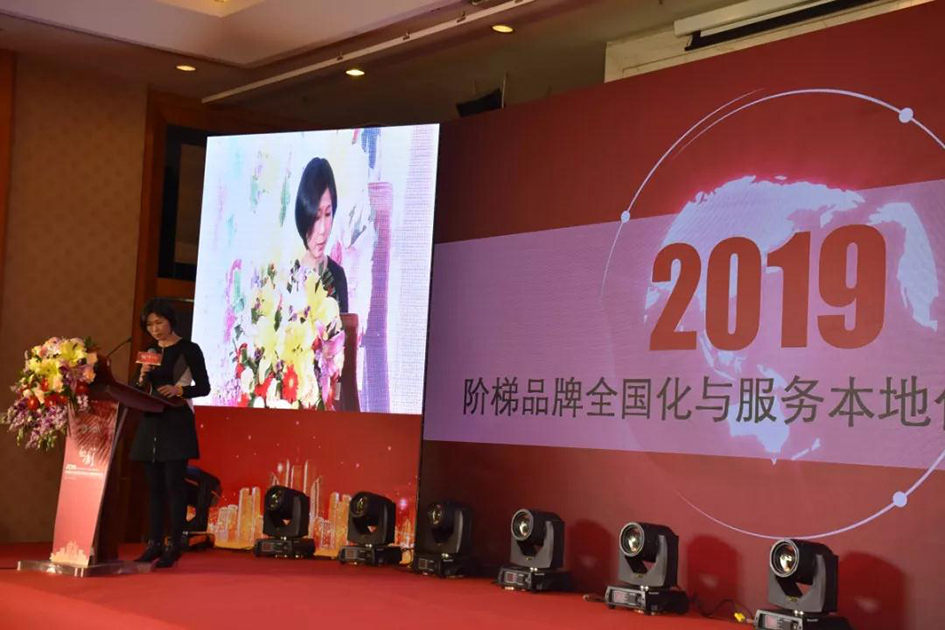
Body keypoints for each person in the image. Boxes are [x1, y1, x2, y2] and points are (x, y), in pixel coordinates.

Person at [132, 298, 210, 568]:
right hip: (151, 423)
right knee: (154, 489)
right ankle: (153, 543)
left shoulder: (189, 349)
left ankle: (173, 545)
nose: (155, 329)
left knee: (174, 487)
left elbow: (204, 387)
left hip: (176, 421)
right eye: (149, 325)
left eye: (159, 322)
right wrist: (142, 375)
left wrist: (180, 390)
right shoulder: (149, 351)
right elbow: (137, 388)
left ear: (170, 321)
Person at [295, 157, 349, 313]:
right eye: (316, 217)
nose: (323, 230)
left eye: (327, 214)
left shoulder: (337, 276)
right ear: (304, 215)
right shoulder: (289, 279)